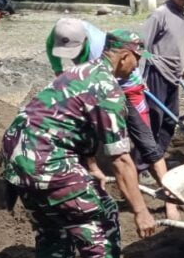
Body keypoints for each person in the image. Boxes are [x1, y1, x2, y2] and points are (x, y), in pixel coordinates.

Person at [2, 30, 157, 258]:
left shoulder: (80, 72)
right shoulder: (107, 89)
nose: (138, 66)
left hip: (17, 157)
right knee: (99, 213)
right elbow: (121, 160)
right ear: (124, 56)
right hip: (47, 159)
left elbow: (74, 127)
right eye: (137, 59)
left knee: (51, 221)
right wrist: (141, 211)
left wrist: (92, 168)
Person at [47, 18, 156, 180]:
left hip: (126, 81)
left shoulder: (98, 50)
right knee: (94, 122)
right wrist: (58, 71)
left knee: (141, 127)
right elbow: (51, 49)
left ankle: (143, 165)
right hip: (101, 81)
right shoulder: (60, 32)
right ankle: (93, 161)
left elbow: (119, 72)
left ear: (84, 41)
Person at [140, 0, 184, 221]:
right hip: (155, 75)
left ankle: (158, 160)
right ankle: (145, 166)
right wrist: (142, 75)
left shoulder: (181, 15)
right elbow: (141, 47)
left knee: (169, 123)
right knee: (153, 121)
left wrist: (181, 68)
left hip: (174, 77)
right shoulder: (160, 14)